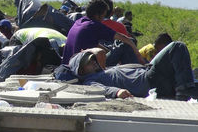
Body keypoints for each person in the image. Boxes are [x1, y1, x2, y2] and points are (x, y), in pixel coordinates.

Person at [57, 41, 198, 101]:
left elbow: (99, 53)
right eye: (89, 62)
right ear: (81, 71)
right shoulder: (90, 81)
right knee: (177, 47)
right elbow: (100, 90)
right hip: (148, 80)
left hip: (151, 76)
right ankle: (184, 93)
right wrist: (117, 92)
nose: (94, 61)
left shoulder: (103, 72)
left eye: (92, 59)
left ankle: (185, 90)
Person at [61, 0, 144, 65]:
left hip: (69, 65)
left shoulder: (79, 22)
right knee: (124, 45)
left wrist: (111, 53)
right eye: (103, 16)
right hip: (83, 67)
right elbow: (126, 39)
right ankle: (137, 71)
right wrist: (138, 55)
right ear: (97, 15)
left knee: (116, 49)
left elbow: (94, 44)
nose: (103, 19)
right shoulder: (94, 25)